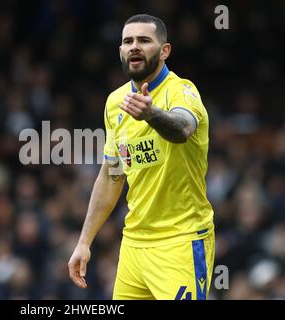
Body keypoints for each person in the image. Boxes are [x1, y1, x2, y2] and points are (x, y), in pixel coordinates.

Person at [68, 14, 215, 300]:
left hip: (180, 241)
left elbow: (182, 129)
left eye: (144, 40)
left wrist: (151, 114)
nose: (134, 46)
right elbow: (112, 175)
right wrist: (84, 241)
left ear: (164, 51)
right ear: (121, 51)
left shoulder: (181, 91)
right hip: (134, 245)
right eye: (128, 41)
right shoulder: (115, 103)